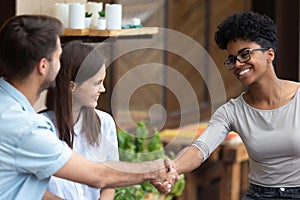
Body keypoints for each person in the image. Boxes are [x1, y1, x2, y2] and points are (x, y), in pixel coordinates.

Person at [0, 15, 178, 200]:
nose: (61, 67)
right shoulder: (26, 127)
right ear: (43, 66)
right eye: (59, 57)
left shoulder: (8, 108)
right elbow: (98, 176)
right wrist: (151, 169)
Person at [155, 11, 300, 199]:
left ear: (269, 54)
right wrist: (171, 169)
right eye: (232, 59)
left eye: (245, 54)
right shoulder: (232, 111)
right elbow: (199, 149)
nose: (238, 64)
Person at [40, 40, 119, 200]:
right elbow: (31, 188)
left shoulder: (105, 122)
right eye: (97, 83)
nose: (102, 89)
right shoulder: (40, 128)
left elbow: (111, 180)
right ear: (72, 86)